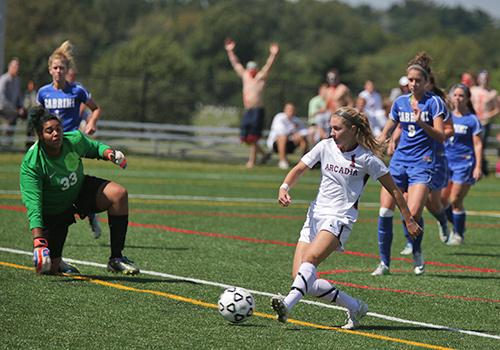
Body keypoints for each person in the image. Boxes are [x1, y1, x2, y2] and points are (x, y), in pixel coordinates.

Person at [270, 106, 421, 330]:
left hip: (340, 217)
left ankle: (287, 305)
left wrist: (408, 219)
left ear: (352, 129)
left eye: (337, 128)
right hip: (314, 215)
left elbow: (395, 191)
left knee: (310, 260)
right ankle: (355, 306)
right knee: (303, 280)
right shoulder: (324, 146)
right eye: (331, 128)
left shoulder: (367, 159)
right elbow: (300, 168)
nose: (332, 133)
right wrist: (284, 187)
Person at [20, 106, 138, 275]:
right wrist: (39, 241)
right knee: (47, 269)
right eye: (49, 131)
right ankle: (57, 262)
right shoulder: (32, 164)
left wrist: (110, 153)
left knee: (118, 194)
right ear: (40, 135)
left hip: (78, 191)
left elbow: (94, 147)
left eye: (58, 129)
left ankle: (116, 259)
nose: (56, 134)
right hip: (53, 211)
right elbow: (34, 205)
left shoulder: (73, 140)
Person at [372, 52, 446, 276]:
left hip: (422, 165)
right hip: (398, 163)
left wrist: (421, 122)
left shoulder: (435, 103)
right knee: (385, 211)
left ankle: (416, 253)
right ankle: (384, 264)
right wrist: (379, 143)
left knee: (412, 214)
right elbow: (389, 127)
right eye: (410, 80)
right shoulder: (400, 102)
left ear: (426, 82)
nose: (413, 84)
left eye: (417, 80)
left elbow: (440, 136)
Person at [37, 41, 103, 239]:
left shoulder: (77, 91)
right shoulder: (43, 93)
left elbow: (96, 108)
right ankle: (50, 229)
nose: (58, 71)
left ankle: (88, 213)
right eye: (55, 68)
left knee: (71, 185)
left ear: (67, 71)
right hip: (49, 146)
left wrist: (91, 123)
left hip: (70, 145)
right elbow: (39, 118)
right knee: (50, 186)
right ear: (50, 70)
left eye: (62, 68)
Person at [224, 38, 279, 168]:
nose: (251, 70)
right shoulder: (245, 76)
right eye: (250, 68)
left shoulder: (260, 77)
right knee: (245, 138)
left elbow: (268, 66)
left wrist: (273, 54)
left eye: (253, 68)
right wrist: (230, 52)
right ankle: (264, 154)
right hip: (248, 110)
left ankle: (251, 162)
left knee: (253, 137)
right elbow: (236, 64)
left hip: (257, 110)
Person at [441, 84, 483, 245]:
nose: (458, 98)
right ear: (451, 97)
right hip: (446, 163)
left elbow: (478, 144)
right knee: (441, 202)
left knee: (455, 199)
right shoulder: (445, 117)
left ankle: (458, 235)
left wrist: (478, 166)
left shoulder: (472, 119)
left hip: (464, 164)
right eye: (455, 95)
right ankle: (459, 225)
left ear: (467, 99)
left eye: (461, 95)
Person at [470, 70, 499, 176]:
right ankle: (472, 166)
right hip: (472, 121)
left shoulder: (492, 93)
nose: (484, 80)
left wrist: (488, 115)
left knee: (481, 145)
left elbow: (497, 109)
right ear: (478, 79)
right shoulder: (472, 90)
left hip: (484, 122)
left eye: (486, 78)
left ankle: (481, 167)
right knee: (470, 144)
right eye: (482, 78)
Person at [266, 103, 308, 169]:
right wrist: (294, 133)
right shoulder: (279, 117)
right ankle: (282, 161)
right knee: (283, 137)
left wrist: (298, 135)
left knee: (303, 138)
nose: (291, 112)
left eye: (293, 110)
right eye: (289, 110)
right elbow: (281, 132)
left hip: (290, 144)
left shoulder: (297, 120)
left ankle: (304, 162)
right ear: (285, 110)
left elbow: (305, 131)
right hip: (276, 145)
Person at [0, 58, 25, 147]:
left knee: (27, 115)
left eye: (18, 67)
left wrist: (21, 107)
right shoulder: (4, 80)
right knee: (13, 116)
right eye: (15, 67)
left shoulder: (17, 80)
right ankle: (6, 143)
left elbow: (19, 97)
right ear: (9, 67)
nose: (16, 69)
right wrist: (15, 109)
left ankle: (27, 143)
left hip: (13, 109)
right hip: (3, 108)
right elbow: (2, 99)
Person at [23, 80, 37, 150]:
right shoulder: (27, 94)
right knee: (29, 131)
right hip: (29, 114)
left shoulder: (35, 94)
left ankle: (32, 145)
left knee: (33, 131)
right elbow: (26, 105)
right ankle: (27, 145)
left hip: (34, 114)